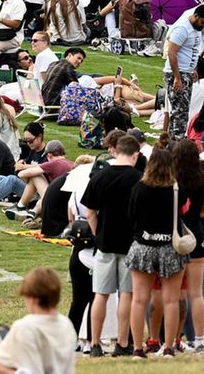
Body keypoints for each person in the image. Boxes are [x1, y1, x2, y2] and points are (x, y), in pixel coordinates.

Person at [80, 133, 143, 357]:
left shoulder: (100, 176)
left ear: (116, 151)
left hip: (105, 244)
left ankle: (95, 343)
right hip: (130, 245)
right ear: (135, 155)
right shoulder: (138, 178)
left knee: (100, 294)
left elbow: (90, 213)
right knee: (126, 294)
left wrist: (98, 235)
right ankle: (123, 342)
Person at [125, 147, 188, 358]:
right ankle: (169, 347)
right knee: (171, 300)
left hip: (143, 245)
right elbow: (183, 213)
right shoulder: (177, 189)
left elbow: (131, 216)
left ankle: (137, 348)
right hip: (170, 247)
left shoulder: (139, 188)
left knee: (139, 299)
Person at [163, 4, 204, 139]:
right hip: (177, 73)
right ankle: (178, 140)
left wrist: (194, 68)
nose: (203, 25)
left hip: (187, 72)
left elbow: (192, 50)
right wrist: (177, 77)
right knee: (179, 111)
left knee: (183, 109)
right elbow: (172, 53)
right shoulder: (182, 29)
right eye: (203, 22)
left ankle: (174, 140)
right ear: (196, 16)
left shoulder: (196, 29)